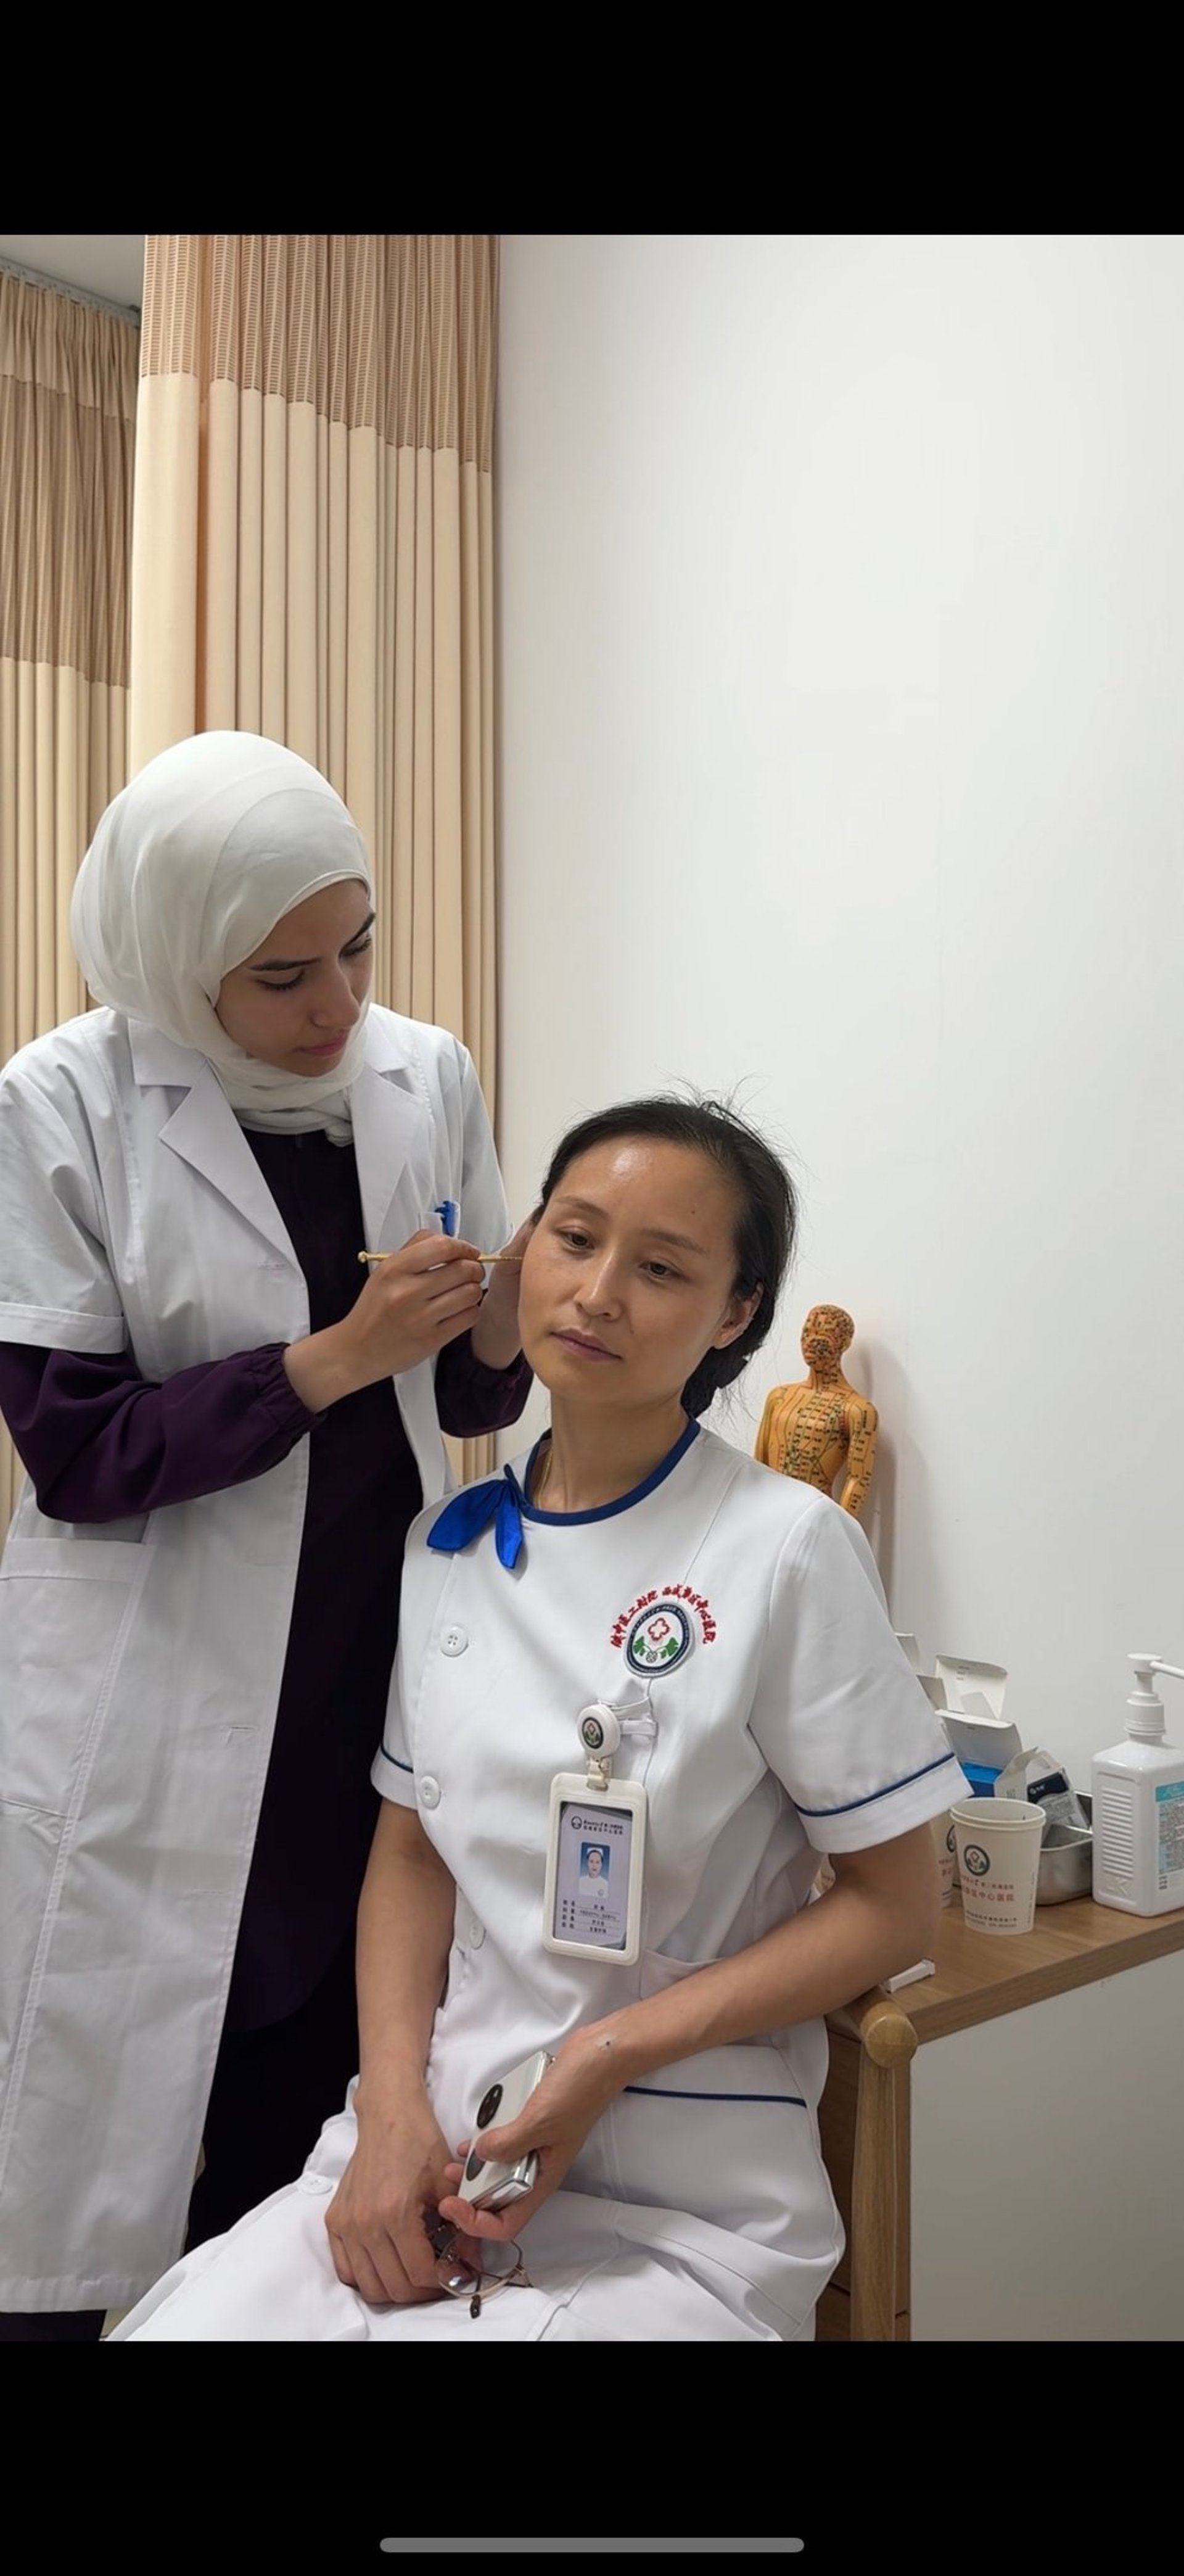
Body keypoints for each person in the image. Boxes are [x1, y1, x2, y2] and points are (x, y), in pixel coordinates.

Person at [109, 1095, 963, 2345]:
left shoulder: (785, 1549)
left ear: (734, 1315)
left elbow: (897, 1906)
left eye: (661, 1268)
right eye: (574, 1238)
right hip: (433, 2138)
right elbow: (411, 1851)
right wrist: (388, 2109)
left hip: (680, 2184)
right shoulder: (448, 1544)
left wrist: (605, 2055)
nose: (597, 1294)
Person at [0, 732, 532, 2339]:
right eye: (285, 975)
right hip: (156, 1674)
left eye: (358, 945)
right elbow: (79, 1452)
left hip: (369, 1650)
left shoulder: (422, 1071)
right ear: (177, 967)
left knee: (320, 2084)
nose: (339, 1005)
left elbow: (470, 1392)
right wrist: (337, 1357)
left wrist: (526, 1296)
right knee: (117, 2100)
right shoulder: (61, 1102)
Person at [754, 1303, 879, 1517]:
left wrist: (839, 1529)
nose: (811, 1341)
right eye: (807, 1331)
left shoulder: (858, 1410)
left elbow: (858, 1480)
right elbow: (758, 1462)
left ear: (844, 1343)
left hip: (813, 1517)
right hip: (769, 1511)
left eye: (823, 1334)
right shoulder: (779, 1397)